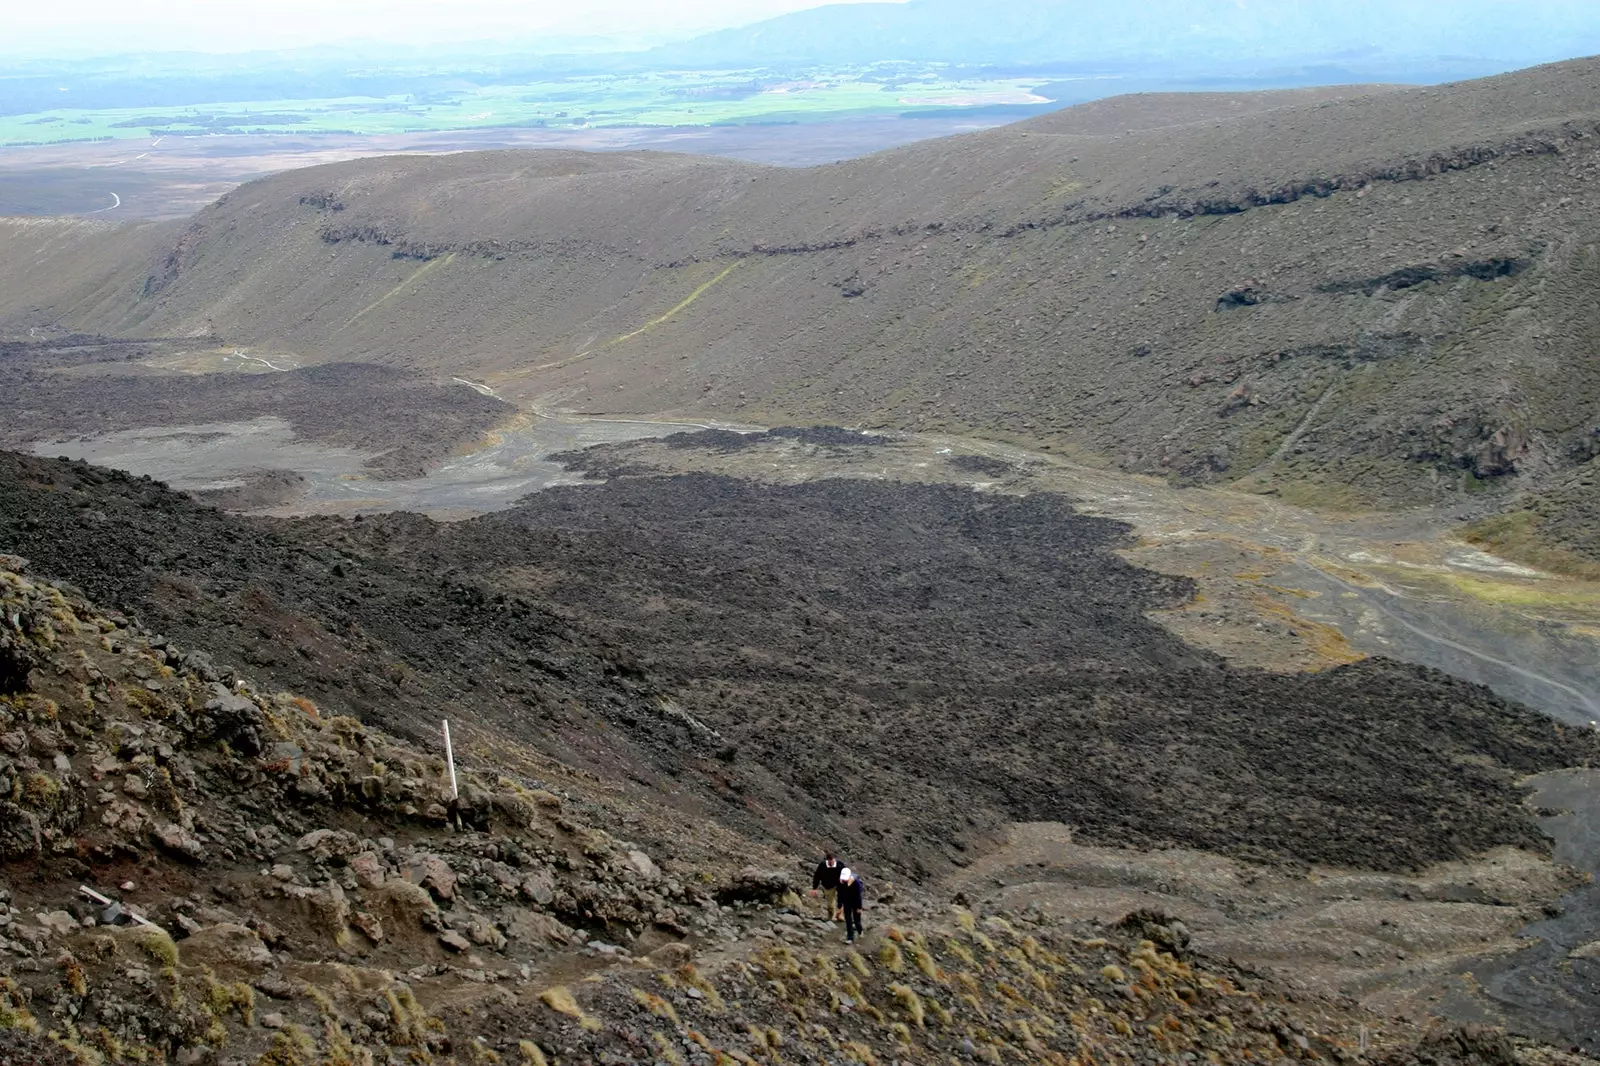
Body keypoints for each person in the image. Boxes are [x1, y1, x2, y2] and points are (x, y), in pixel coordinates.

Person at [810, 851, 844, 921]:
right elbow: (817, 876)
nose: (831, 862)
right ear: (827, 860)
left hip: (839, 884)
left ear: (834, 859)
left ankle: (840, 915)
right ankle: (831, 916)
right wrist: (814, 888)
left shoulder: (839, 865)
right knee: (830, 904)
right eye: (829, 861)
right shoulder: (822, 865)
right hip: (827, 885)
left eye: (832, 861)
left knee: (842, 900)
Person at [837, 867, 864, 943]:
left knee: (856, 920)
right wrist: (840, 904)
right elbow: (839, 894)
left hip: (855, 902)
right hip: (847, 902)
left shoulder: (856, 883)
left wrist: (859, 907)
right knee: (848, 919)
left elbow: (858, 896)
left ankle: (860, 931)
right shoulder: (840, 882)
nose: (844, 880)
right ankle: (850, 937)